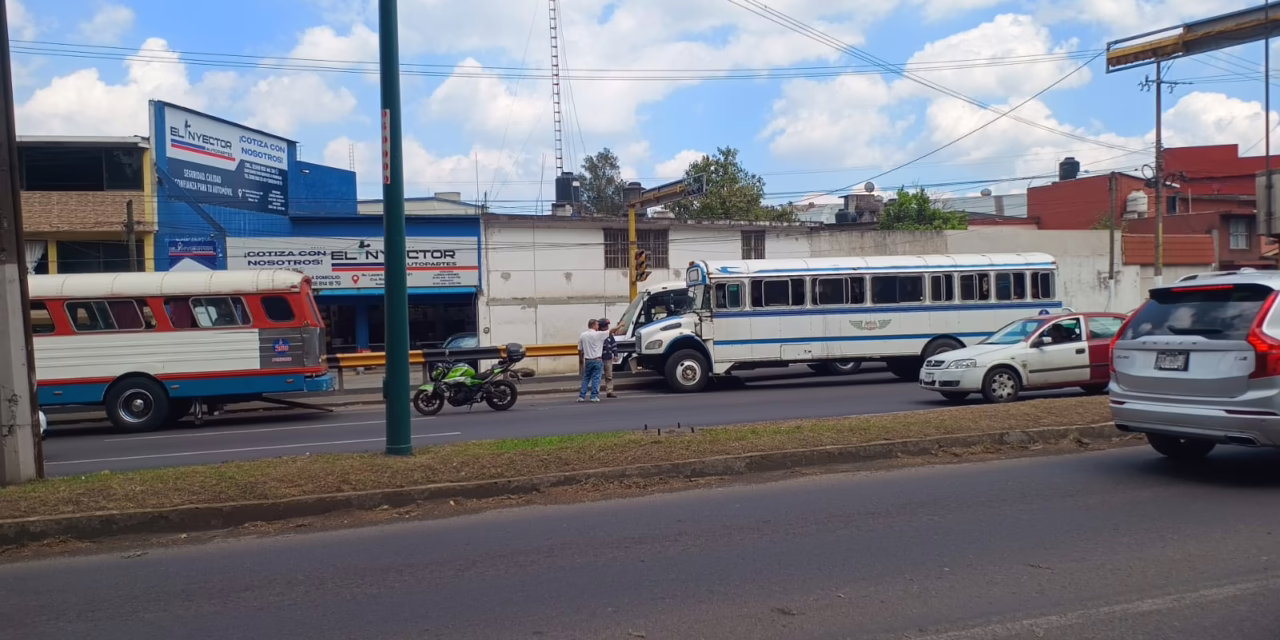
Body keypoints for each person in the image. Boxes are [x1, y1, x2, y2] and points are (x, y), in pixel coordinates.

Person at [577, 319, 609, 403]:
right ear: (594, 325)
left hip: (588, 360)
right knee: (596, 378)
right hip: (597, 360)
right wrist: (620, 325)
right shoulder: (599, 334)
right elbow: (612, 331)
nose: (598, 327)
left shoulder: (583, 335)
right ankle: (594, 396)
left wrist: (580, 359)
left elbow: (580, 349)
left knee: (586, 378)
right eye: (597, 325)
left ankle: (582, 396)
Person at [598, 318, 618, 398]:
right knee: (598, 376)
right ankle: (596, 392)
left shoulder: (610, 335)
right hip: (599, 358)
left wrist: (615, 355)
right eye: (605, 326)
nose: (606, 327)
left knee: (609, 376)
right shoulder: (598, 335)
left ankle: (609, 391)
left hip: (608, 358)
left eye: (607, 326)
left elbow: (614, 345)